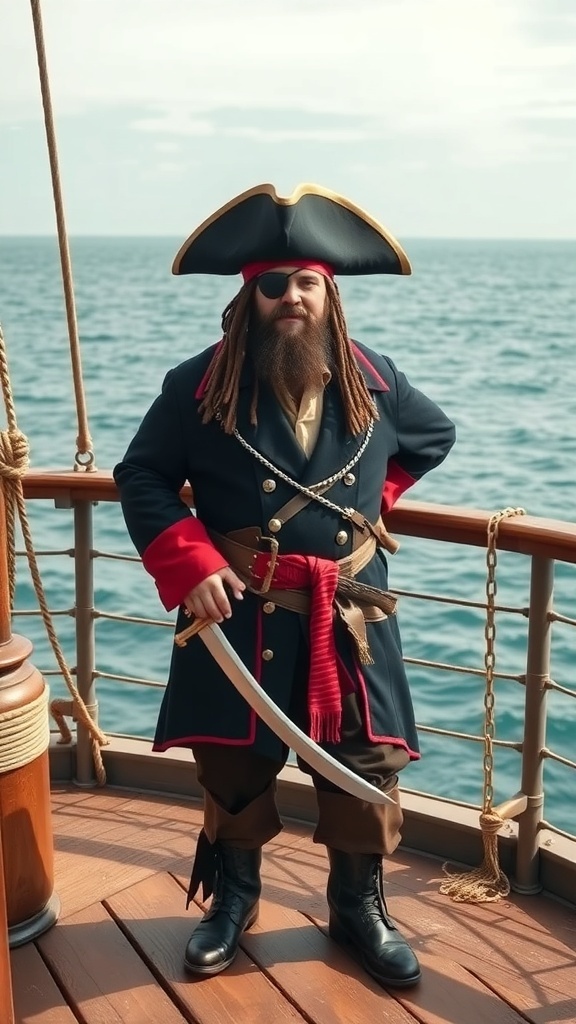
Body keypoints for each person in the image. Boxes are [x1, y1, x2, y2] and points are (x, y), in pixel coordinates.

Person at [114, 182, 455, 989]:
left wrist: (372, 510)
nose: (291, 297)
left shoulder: (378, 381)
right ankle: (231, 900)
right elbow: (143, 477)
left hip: (350, 618)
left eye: (306, 282)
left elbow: (433, 438)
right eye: (274, 284)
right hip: (241, 614)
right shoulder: (197, 386)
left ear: (328, 292)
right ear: (249, 296)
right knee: (232, 766)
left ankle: (357, 905)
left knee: (363, 766)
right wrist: (192, 564)